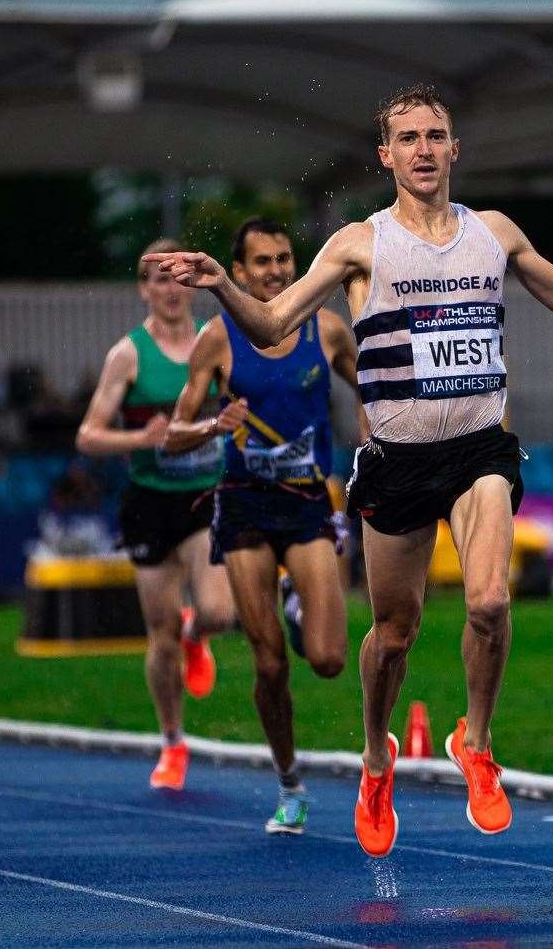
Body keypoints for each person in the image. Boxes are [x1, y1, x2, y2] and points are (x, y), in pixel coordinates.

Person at [146, 83, 553, 857]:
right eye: (408, 137)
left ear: (455, 150)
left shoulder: (494, 233)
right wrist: (219, 279)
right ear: (386, 155)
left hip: (480, 448)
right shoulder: (358, 243)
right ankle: (377, 753)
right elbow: (276, 321)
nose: (423, 149)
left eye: (436, 135)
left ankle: (475, 741)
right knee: (394, 630)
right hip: (397, 463)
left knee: (489, 599)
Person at [164, 216, 365, 835]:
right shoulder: (217, 339)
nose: (276, 272)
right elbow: (173, 437)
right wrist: (209, 428)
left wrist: (378, 438)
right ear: (240, 270)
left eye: (285, 260)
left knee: (329, 660)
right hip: (245, 503)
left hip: (306, 502)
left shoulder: (327, 330)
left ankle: (298, 603)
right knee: (270, 665)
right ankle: (290, 784)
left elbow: (378, 391)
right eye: (262, 262)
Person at [75, 239, 237, 792]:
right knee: (159, 631)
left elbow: (243, 405)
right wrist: (137, 436)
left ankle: (201, 635)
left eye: (178, 278)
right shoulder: (129, 354)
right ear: (145, 289)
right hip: (148, 501)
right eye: (158, 280)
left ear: (191, 284)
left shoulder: (211, 343)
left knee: (218, 611)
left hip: (202, 496)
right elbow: (87, 435)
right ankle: (173, 743)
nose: (170, 290)